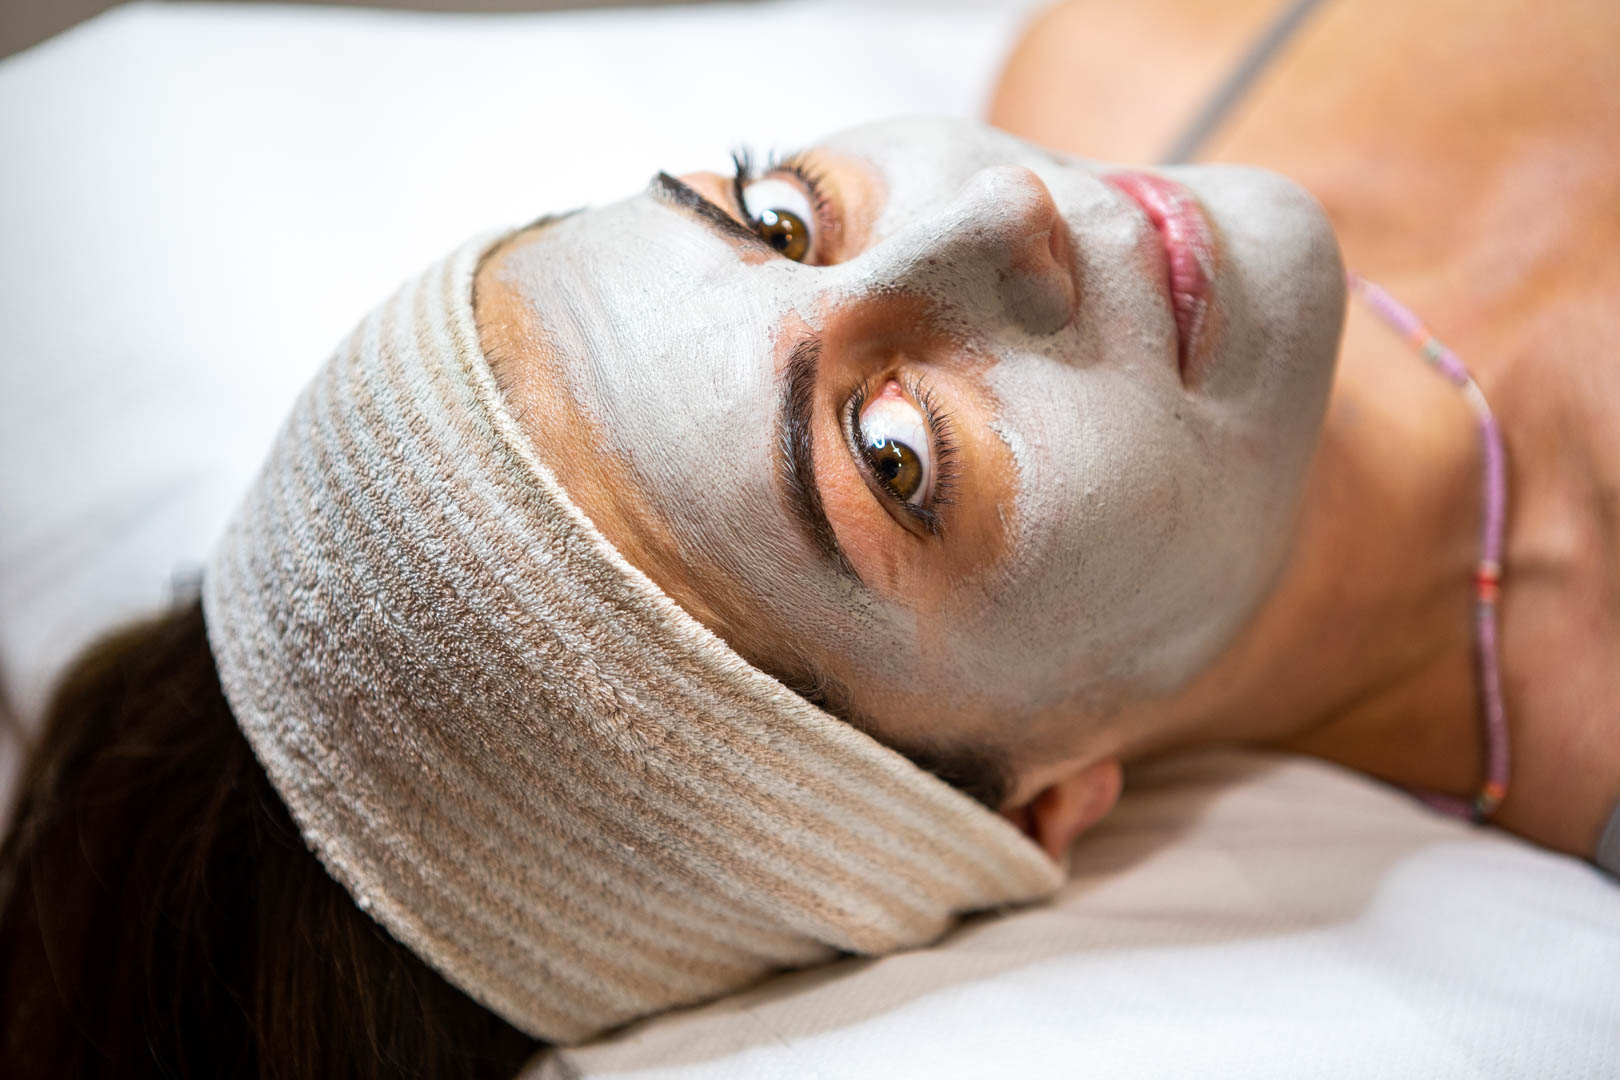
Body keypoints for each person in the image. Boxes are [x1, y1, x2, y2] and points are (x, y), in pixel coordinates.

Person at [3, 1, 1617, 1076]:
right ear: (1034, 805)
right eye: (899, 457)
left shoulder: (1122, 55)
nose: (1001, 215)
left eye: (777, 218)